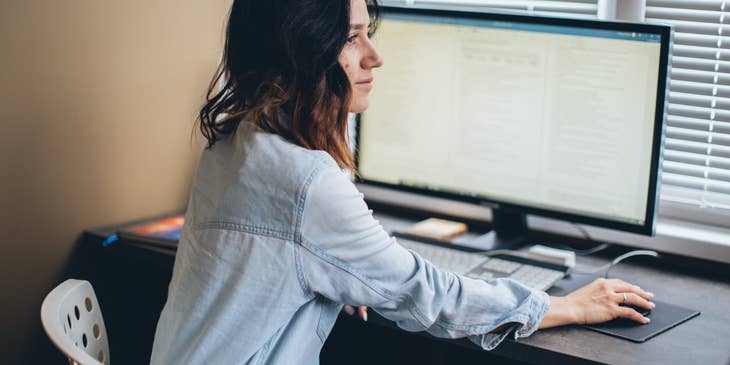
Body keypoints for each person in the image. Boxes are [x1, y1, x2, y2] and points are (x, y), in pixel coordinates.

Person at [150, 0, 655, 363]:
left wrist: (339, 271)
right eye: (352, 37)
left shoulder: (236, 142)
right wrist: (562, 305)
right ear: (303, 50)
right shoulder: (306, 181)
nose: (375, 56)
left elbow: (272, 255)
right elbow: (429, 294)